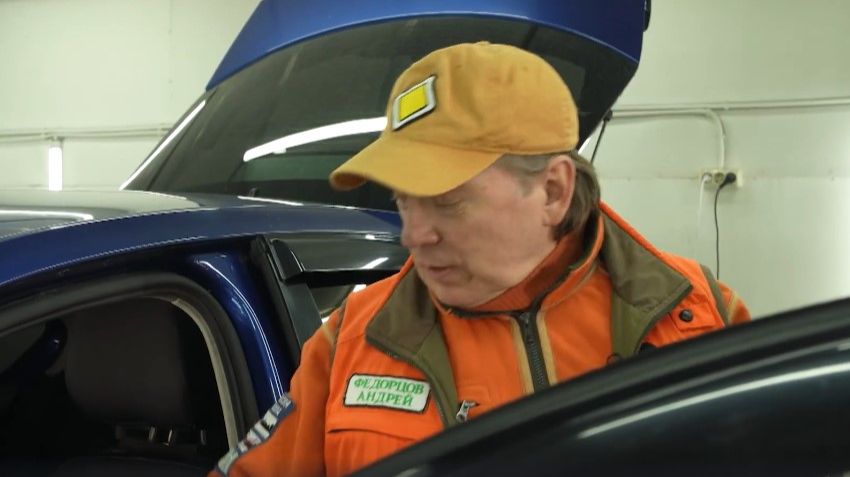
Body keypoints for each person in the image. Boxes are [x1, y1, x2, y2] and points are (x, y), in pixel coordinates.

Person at [212, 42, 750, 477]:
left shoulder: (697, 319)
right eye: (403, 201)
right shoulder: (352, 339)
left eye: (447, 202)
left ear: (553, 191)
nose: (414, 236)